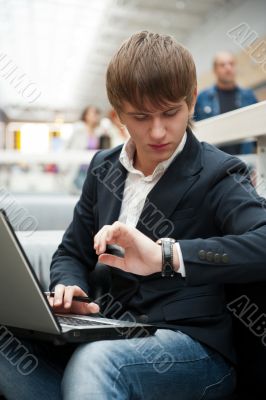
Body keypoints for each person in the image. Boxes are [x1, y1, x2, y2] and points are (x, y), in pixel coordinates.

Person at [1, 31, 266, 400]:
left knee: (96, 363)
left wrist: (166, 256)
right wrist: (68, 287)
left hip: (192, 348)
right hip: (108, 331)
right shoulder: (103, 168)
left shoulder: (218, 172)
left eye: (171, 113)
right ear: (117, 112)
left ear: (190, 101)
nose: (158, 131)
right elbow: (71, 252)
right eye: (140, 117)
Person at [194, 51, 258, 154]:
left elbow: (258, 127)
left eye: (231, 64)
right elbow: (196, 132)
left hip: (245, 161)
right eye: (222, 65)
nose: (228, 68)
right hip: (214, 161)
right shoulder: (203, 98)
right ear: (215, 70)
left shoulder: (248, 96)